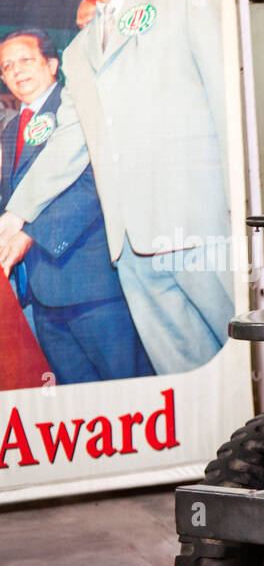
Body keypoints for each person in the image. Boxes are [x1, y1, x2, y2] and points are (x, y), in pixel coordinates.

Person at [0, 0, 233, 376]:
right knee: (183, 377)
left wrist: (242, 207)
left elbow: (230, 104)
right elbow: (71, 138)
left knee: (249, 357)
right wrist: (16, 215)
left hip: (200, 228)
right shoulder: (77, 52)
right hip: (129, 249)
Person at [0, 28, 151, 384]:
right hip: (40, 294)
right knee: (78, 401)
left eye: (25, 60)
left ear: (52, 64)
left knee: (128, 393)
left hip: (90, 282)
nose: (16, 71)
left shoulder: (81, 108)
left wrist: (30, 236)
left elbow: (94, 184)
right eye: (7, 66)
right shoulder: (10, 130)